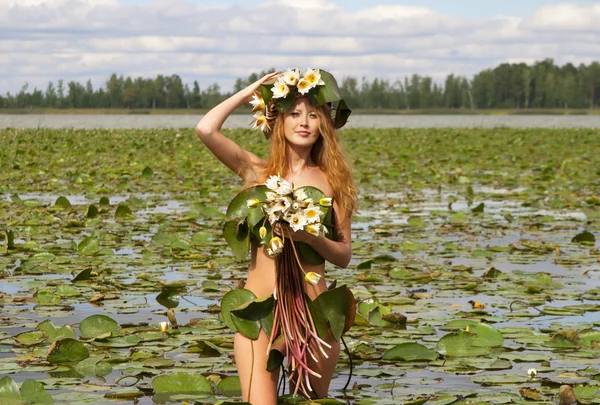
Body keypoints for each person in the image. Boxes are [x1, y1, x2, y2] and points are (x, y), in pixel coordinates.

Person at [195, 68, 357, 404]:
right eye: (295, 113)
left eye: (314, 115)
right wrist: (252, 91)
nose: (304, 122)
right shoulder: (258, 173)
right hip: (258, 311)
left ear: (324, 125)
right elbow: (206, 129)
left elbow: (343, 255)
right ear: (279, 122)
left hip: (314, 316)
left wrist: (311, 239)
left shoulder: (334, 182)